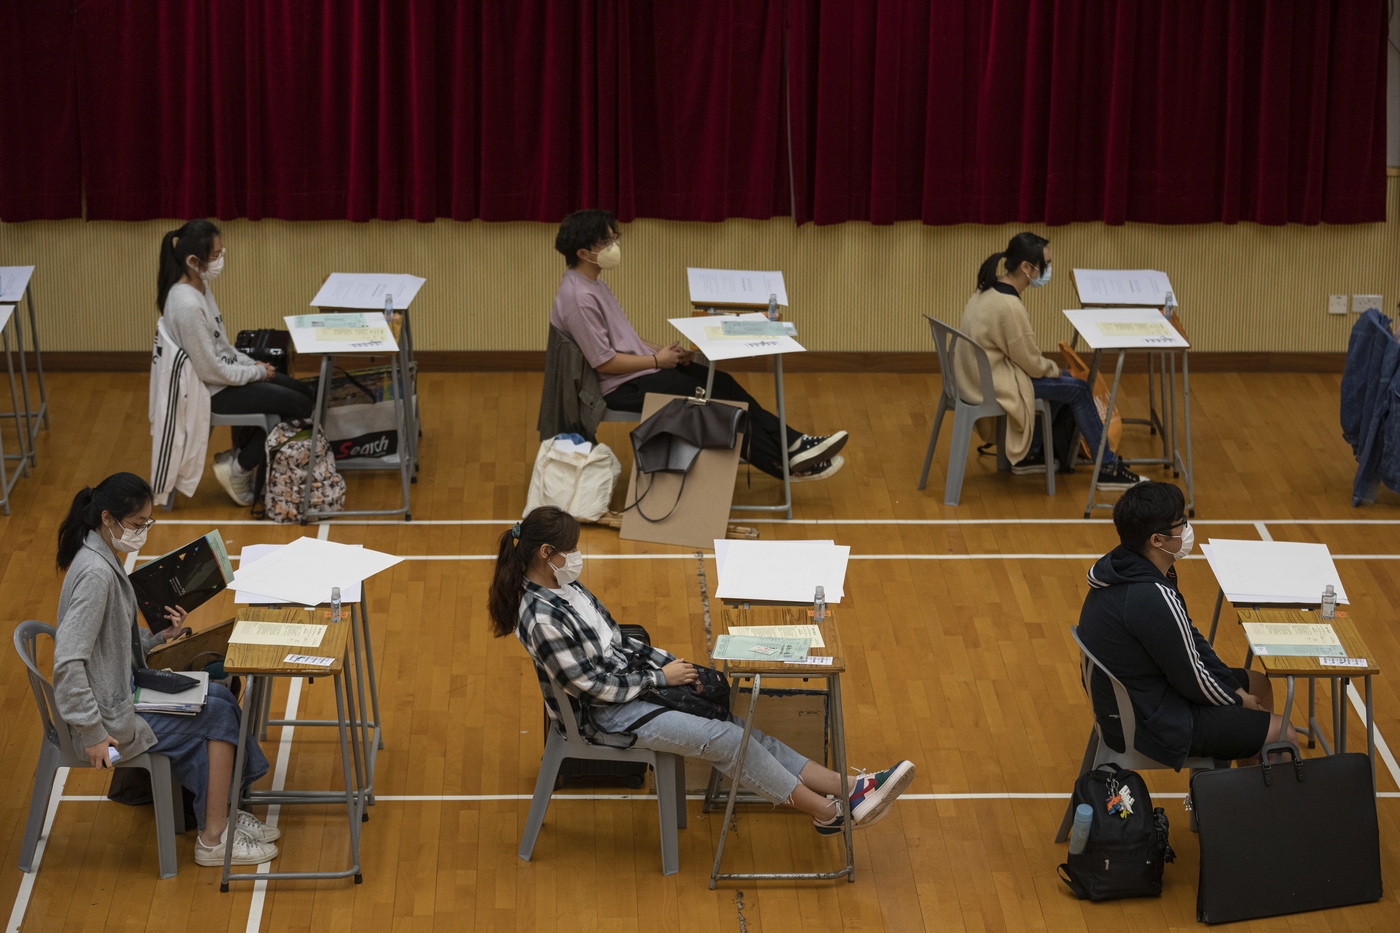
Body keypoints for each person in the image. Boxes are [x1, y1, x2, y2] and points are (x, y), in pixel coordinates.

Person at [489, 506, 915, 834]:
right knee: (728, 739)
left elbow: (617, 640)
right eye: (571, 549)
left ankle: (850, 788)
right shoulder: (540, 618)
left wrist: (673, 665)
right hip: (605, 716)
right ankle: (828, 813)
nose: (577, 556)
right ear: (547, 554)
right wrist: (660, 678)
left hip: (634, 689)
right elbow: (589, 686)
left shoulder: (567, 586)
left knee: (737, 726)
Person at [52, 472, 280, 866]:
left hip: (121, 692)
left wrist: (160, 637)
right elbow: (69, 661)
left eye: (147, 523)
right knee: (217, 718)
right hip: (106, 718)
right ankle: (213, 839)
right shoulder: (95, 575)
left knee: (221, 697)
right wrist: (91, 733)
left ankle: (220, 812)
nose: (143, 532)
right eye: (138, 525)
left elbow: (111, 645)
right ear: (108, 519)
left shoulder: (105, 557)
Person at [549, 209, 849, 482]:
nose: (615, 245)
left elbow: (621, 336)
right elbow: (604, 362)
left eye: (615, 237)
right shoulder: (579, 299)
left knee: (723, 384)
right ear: (584, 252)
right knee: (716, 406)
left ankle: (793, 443)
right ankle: (784, 462)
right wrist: (656, 362)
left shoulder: (594, 284)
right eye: (607, 241)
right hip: (620, 386)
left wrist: (661, 351)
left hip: (636, 371)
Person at [1077, 481, 1298, 768]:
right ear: (1156, 540)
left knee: (1259, 685)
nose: (1186, 528)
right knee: (1284, 734)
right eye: (1181, 523)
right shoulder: (1151, 596)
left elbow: (1190, 642)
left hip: (1136, 696)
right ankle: (1255, 805)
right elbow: (1190, 676)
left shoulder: (1129, 565)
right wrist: (1235, 700)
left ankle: (1244, 788)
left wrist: (1238, 691)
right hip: (1152, 720)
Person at [956, 231, 1144, 490]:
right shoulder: (1009, 307)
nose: (1049, 269)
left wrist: (1055, 372)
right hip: (995, 385)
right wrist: (1056, 369)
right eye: (1046, 264)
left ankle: (1030, 454)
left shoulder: (987, 289)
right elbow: (1032, 363)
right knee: (1077, 388)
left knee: (1065, 383)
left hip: (980, 378)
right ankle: (1107, 468)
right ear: (1026, 267)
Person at [156, 219, 316, 506]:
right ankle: (239, 467)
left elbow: (221, 346)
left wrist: (252, 364)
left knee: (305, 394)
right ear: (193, 261)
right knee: (300, 407)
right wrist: (254, 372)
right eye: (215, 256)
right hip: (212, 391)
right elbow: (210, 370)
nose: (219, 261)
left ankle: (239, 458)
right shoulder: (187, 305)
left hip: (224, 376)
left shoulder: (199, 287)